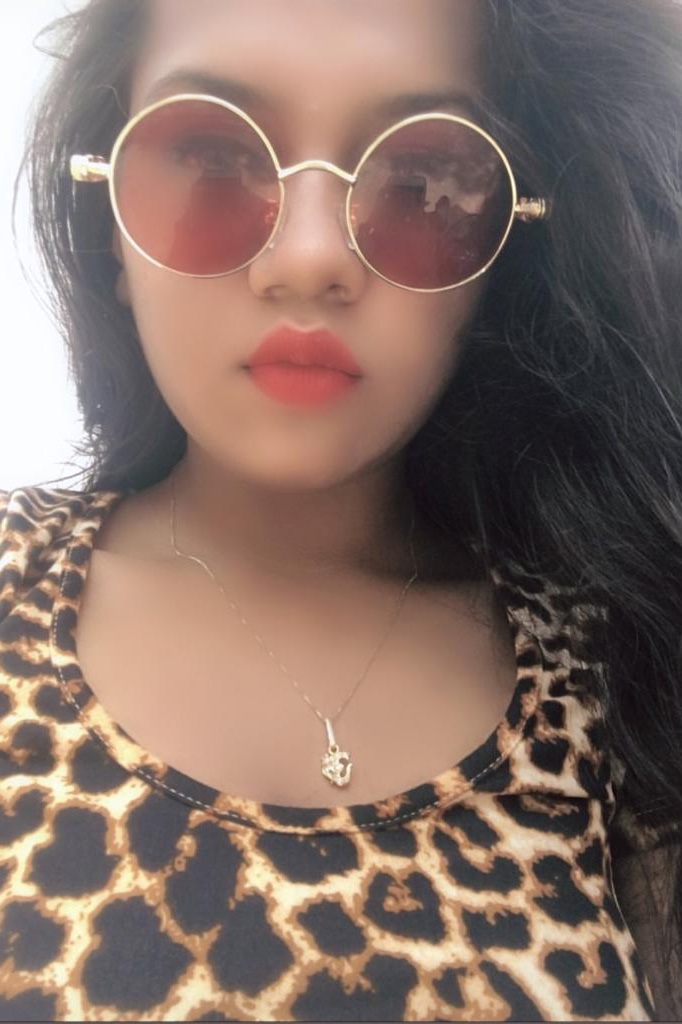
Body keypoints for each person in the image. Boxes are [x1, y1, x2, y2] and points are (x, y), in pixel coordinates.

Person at [1, 0, 680, 1019]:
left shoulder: (618, 676)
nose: (310, 257)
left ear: (508, 250)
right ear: (108, 223)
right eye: (213, 160)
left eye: (423, 181)